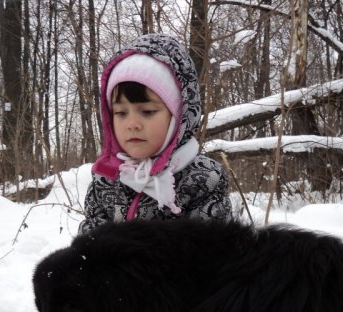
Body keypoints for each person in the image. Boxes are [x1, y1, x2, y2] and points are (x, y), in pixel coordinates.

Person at [78, 33, 232, 234]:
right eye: (121, 113)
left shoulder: (203, 180)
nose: (132, 124)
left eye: (148, 111)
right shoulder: (106, 179)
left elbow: (211, 254)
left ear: (177, 118)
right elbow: (89, 245)